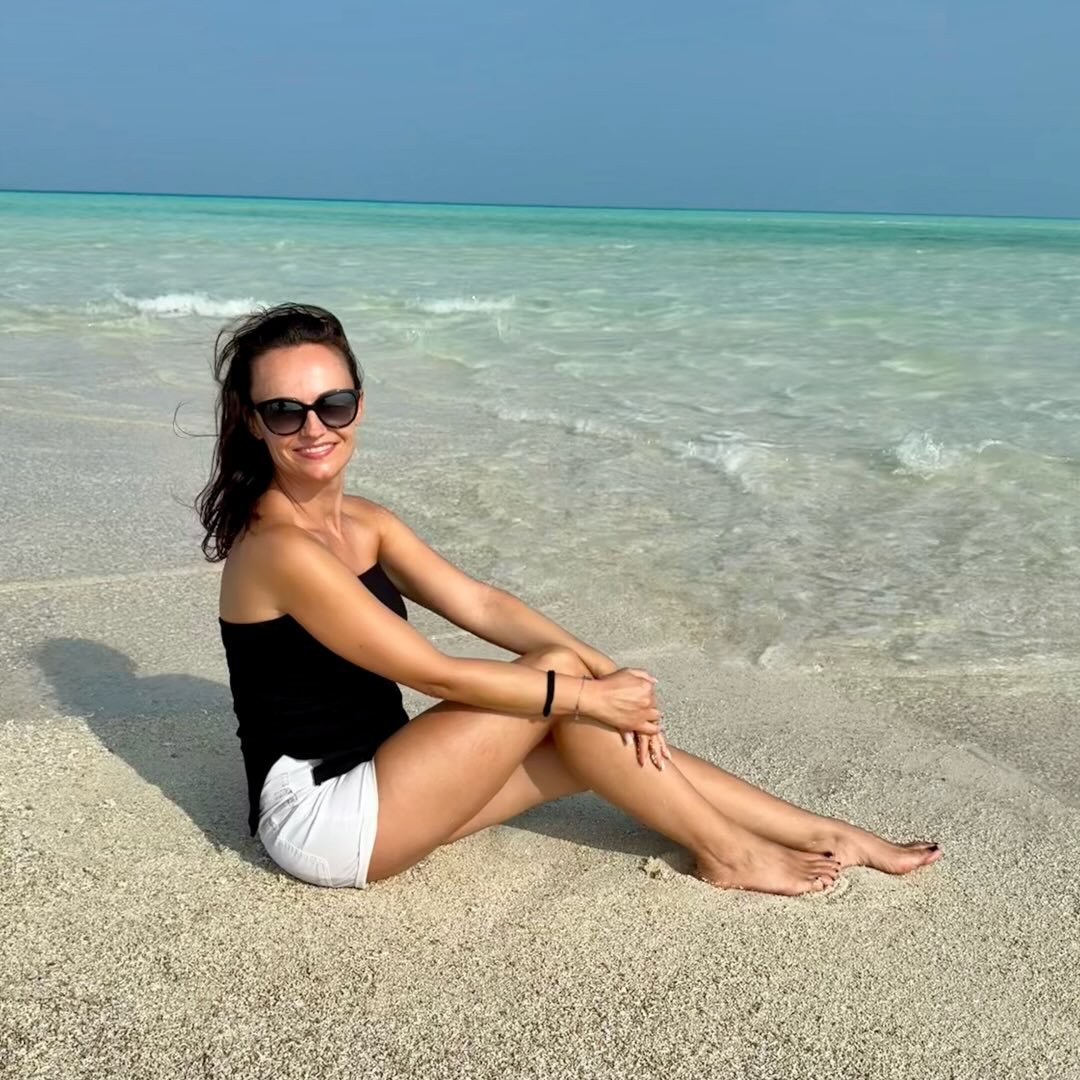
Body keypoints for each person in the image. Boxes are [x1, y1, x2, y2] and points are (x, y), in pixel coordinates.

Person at [199, 302, 941, 896]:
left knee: (580, 721)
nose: (314, 427)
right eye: (285, 411)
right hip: (324, 819)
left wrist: (605, 673)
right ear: (252, 422)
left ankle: (823, 832)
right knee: (562, 687)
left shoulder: (365, 522)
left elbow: (482, 605)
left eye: (332, 403)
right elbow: (432, 673)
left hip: (395, 776)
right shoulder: (279, 549)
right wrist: (586, 689)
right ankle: (729, 853)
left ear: (358, 404)